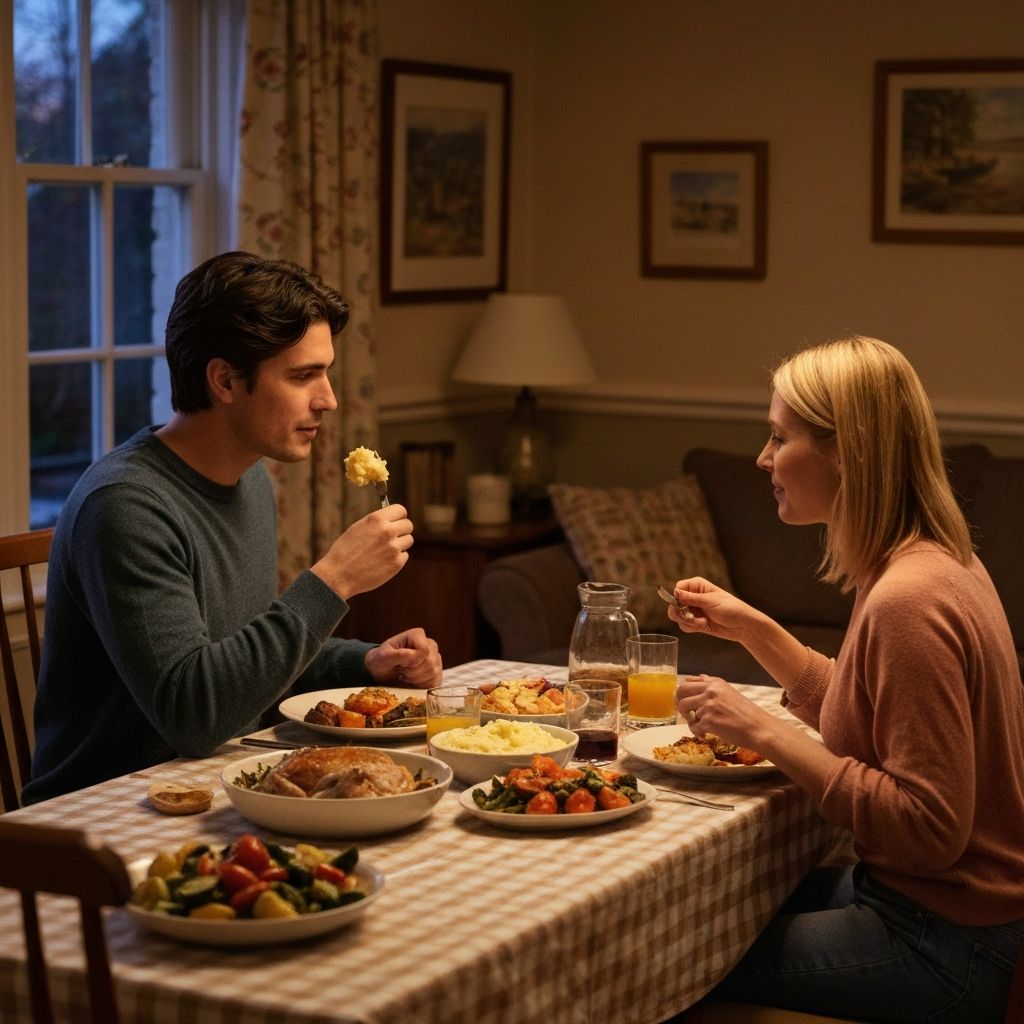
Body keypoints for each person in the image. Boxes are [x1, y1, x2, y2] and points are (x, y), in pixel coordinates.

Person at [668, 336, 1024, 1023]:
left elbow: (929, 827)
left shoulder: (907, 601)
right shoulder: (929, 561)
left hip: (943, 943)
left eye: (779, 436)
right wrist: (754, 628)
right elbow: (874, 719)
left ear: (845, 453)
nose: (763, 458)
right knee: (692, 913)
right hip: (931, 912)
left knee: (679, 960)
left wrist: (762, 731)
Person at [24, 251, 442, 805]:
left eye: (326, 371)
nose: (329, 399)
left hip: (216, 786)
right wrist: (334, 579)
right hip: (101, 814)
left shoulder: (249, 481)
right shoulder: (125, 505)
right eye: (302, 376)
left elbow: (240, 661)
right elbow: (196, 715)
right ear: (224, 379)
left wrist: (363, 661)